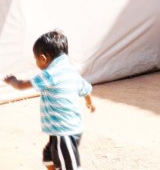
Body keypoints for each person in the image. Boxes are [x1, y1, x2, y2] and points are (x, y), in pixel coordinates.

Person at [3, 30, 96, 170]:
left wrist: (13, 80)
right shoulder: (71, 71)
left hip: (64, 132)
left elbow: (21, 86)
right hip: (63, 130)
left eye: (36, 60)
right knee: (48, 158)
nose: (36, 63)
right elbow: (86, 90)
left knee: (69, 166)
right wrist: (89, 102)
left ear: (43, 58)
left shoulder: (49, 75)